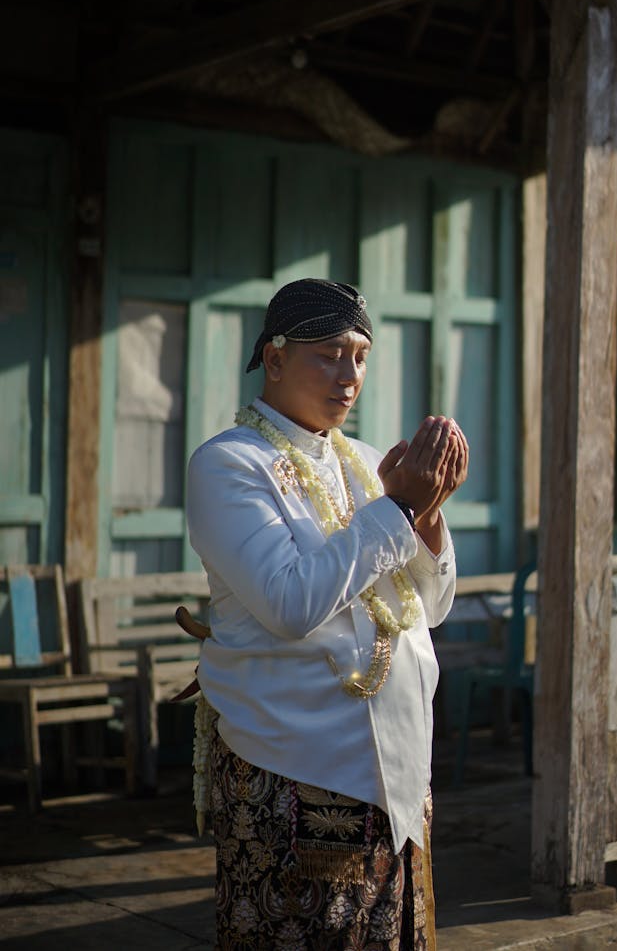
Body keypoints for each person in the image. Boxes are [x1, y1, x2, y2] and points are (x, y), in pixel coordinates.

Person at [186, 278, 469, 951]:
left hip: (397, 778)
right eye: (329, 354)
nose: (350, 377)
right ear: (275, 358)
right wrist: (397, 509)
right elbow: (290, 603)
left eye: (361, 356)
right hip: (295, 770)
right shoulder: (229, 464)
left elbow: (429, 606)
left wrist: (424, 516)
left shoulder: (368, 464)